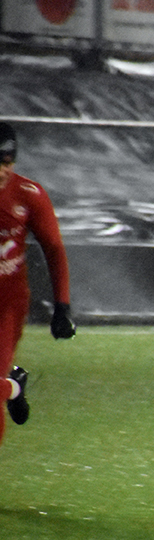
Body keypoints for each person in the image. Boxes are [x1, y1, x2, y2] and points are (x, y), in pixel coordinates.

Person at [0, 122, 76, 448]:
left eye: (7, 162)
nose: (1, 170)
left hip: (7, 302)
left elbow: (54, 249)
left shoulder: (28, 195)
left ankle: (9, 383)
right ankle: (13, 384)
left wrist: (62, 306)